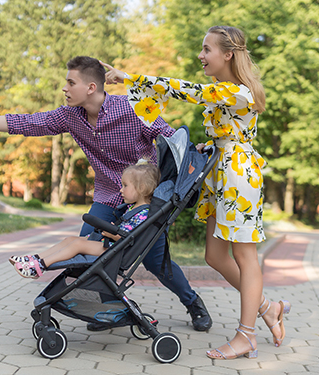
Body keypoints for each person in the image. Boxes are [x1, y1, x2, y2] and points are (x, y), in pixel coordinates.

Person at [0, 56, 212, 332]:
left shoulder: (131, 109)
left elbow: (172, 139)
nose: (65, 89)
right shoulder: (70, 116)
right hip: (107, 195)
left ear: (91, 87)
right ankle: (100, 311)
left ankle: (193, 303)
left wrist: (195, 152)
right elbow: (25, 123)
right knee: (89, 257)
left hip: (141, 201)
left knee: (156, 262)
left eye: (71, 83)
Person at [102, 26, 290, 360]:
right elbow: (225, 131)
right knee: (215, 257)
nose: (200, 56)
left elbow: (184, 90)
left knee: (246, 258)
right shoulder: (222, 91)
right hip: (219, 171)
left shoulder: (239, 92)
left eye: (207, 49)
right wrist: (209, 144)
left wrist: (129, 78)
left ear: (227, 54)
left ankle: (246, 336)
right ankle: (268, 308)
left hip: (238, 177)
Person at [8, 162, 158, 279]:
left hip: (118, 251)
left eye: (125, 186)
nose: (121, 190)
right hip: (113, 246)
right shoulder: (133, 208)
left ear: (142, 188)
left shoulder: (144, 213)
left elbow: (132, 237)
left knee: (78, 244)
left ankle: (39, 267)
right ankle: (35, 258)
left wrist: (112, 233)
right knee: (71, 239)